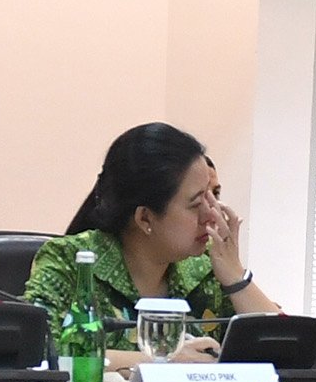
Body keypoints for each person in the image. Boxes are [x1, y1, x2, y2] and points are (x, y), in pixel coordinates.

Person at [25, 123, 279, 366]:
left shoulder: (206, 270)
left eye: (214, 196)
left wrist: (237, 278)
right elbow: (40, 350)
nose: (213, 215)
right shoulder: (69, 261)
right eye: (196, 203)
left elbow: (284, 348)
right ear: (145, 217)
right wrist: (164, 359)